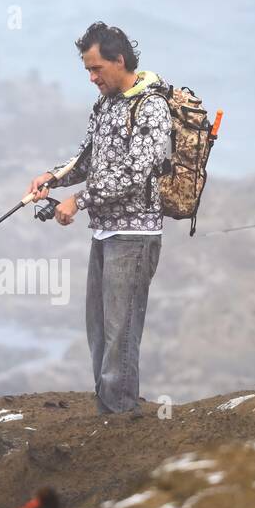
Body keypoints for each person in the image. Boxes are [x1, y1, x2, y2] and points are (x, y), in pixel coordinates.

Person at [27, 22, 171, 415]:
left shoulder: (152, 107)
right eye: (88, 71)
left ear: (118, 60)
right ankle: (108, 409)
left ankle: (121, 413)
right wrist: (53, 177)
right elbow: (89, 159)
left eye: (96, 69)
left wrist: (78, 200)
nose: (92, 78)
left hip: (135, 236)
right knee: (99, 329)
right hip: (105, 233)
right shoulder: (106, 104)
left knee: (120, 331)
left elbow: (134, 173)